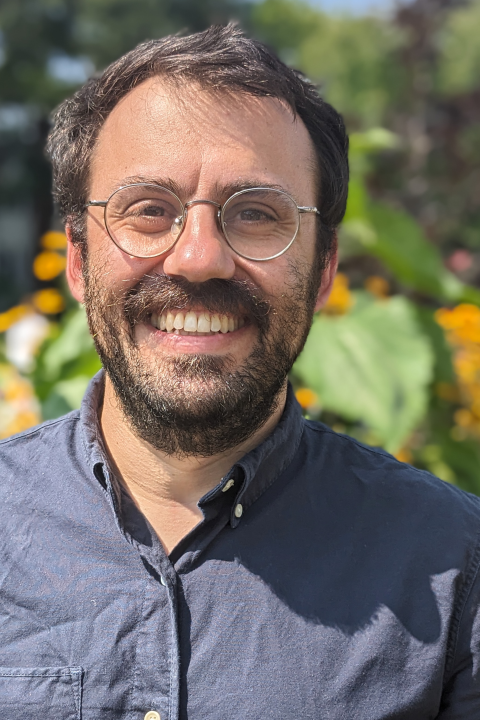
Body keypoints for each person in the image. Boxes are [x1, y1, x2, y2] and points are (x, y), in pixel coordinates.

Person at [0, 23, 479, 720]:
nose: (199, 257)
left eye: (256, 215)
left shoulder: (455, 565)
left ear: (322, 270)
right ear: (78, 262)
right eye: (148, 211)